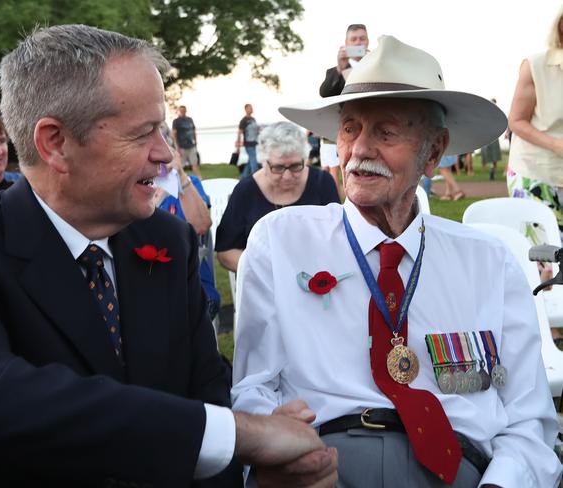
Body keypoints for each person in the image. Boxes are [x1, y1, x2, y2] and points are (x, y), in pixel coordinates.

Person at [0, 25, 339, 487]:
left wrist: (253, 476)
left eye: (162, 128)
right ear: (55, 143)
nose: (165, 154)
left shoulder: (168, 241)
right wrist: (240, 436)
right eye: (143, 133)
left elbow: (207, 393)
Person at [233, 35, 562, 487]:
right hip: (323, 466)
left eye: (386, 132)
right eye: (350, 129)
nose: (360, 150)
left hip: (458, 470)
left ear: (433, 151)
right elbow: (252, 389)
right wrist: (276, 443)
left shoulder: (488, 262)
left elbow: (529, 422)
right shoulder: (280, 241)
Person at [215, 121, 340, 273]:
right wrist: (269, 272)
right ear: (263, 162)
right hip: (264, 282)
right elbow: (226, 252)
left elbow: (340, 239)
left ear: (304, 158)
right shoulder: (246, 191)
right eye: (278, 168)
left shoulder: (322, 183)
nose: (287, 176)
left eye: (295, 166)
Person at [507, 5, 563, 236]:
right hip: (535, 173)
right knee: (544, 260)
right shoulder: (536, 65)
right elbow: (517, 121)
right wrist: (557, 145)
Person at [154, 143, 220, 321]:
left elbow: (201, 225)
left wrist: (180, 175)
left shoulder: (188, 184)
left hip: (191, 282)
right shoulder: (133, 187)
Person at [318, 23, 369, 200]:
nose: (358, 43)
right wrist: (341, 68)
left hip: (372, 128)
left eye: (362, 39)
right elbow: (324, 93)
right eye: (353, 39)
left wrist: (374, 61)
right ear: (346, 44)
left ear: (368, 42)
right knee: (346, 169)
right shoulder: (334, 71)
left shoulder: (377, 66)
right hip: (346, 131)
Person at [172, 105, 202, 179]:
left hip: (191, 146)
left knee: (194, 164)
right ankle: (180, 182)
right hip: (182, 147)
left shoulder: (190, 119)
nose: (183, 112)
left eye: (184, 111)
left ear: (186, 111)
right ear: (179, 111)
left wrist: (196, 142)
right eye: (181, 111)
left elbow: (193, 131)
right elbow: (174, 134)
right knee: (180, 166)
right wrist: (177, 146)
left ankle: (200, 179)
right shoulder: (176, 121)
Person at [480, 98, 503, 180]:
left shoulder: (497, 113)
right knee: (485, 152)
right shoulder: (485, 113)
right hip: (486, 136)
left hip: (494, 136)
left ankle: (493, 168)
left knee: (494, 153)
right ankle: (487, 168)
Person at [236, 103, 260, 178]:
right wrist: (238, 143)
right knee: (254, 164)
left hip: (254, 143)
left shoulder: (253, 119)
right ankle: (255, 180)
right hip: (248, 144)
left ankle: (243, 177)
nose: (252, 109)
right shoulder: (244, 120)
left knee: (250, 162)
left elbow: (256, 130)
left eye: (252, 107)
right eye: (250, 107)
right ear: (246, 109)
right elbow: (239, 132)